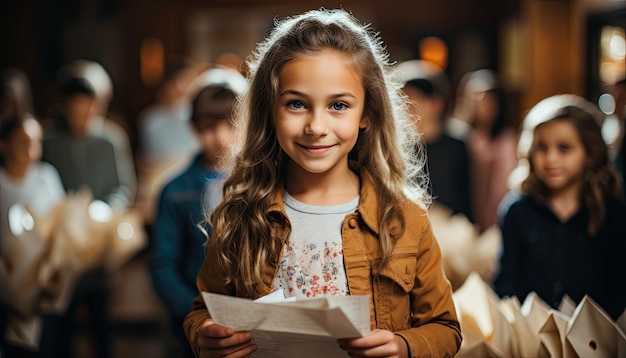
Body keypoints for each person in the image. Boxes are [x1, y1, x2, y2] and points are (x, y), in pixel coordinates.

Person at [184, 8, 461, 358]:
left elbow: (446, 328)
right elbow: (203, 312)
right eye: (297, 103)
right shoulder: (241, 214)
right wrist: (207, 336)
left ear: (368, 113)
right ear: (270, 110)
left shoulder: (405, 219)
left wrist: (403, 346)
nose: (316, 126)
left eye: (338, 105)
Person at [494, 103, 626, 320]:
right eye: (541, 148)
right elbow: (506, 281)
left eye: (564, 148)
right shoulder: (517, 210)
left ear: (590, 152)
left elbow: (619, 289)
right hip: (531, 338)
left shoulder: (611, 212)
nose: (551, 158)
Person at [150, 67, 246, 358]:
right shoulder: (175, 191)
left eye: (230, 125)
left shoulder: (263, 183)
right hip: (195, 329)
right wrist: (199, 314)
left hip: (258, 322)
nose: (220, 137)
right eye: (208, 127)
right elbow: (162, 266)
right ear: (193, 127)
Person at [0, 114, 65, 358]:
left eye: (35, 143)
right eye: (23, 142)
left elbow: (59, 224)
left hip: (43, 281)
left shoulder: (46, 177)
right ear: (4, 144)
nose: (30, 151)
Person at [396, 59, 473, 222]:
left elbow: (466, 196)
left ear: (436, 103)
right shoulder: (397, 145)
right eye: (402, 101)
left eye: (412, 100)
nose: (406, 108)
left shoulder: (456, 145)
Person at [457, 69, 518, 232]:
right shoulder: (459, 137)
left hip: (496, 223)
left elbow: (504, 186)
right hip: (462, 222)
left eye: (487, 100)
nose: (481, 105)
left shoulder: (507, 141)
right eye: (475, 99)